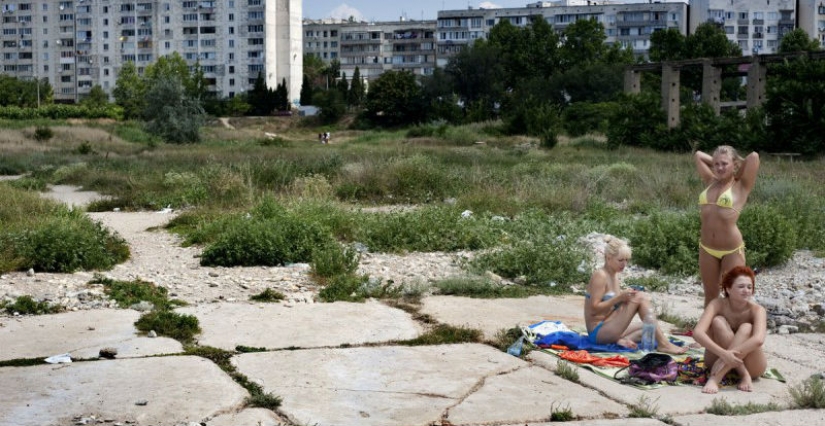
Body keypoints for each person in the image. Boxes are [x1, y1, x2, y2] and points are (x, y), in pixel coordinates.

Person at [584, 236, 687, 354]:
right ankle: (664, 345)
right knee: (641, 298)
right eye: (620, 260)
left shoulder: (614, 275)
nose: (624, 264)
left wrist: (626, 297)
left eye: (627, 260)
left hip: (611, 324)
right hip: (599, 331)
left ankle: (622, 340)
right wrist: (620, 298)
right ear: (608, 258)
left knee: (649, 328)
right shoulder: (600, 275)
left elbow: (614, 305)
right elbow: (594, 308)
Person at [695, 146, 760, 307]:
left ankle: (733, 329)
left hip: (731, 249)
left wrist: (736, 167)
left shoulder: (742, 185)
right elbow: (698, 155)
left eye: (724, 164)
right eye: (716, 164)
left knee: (734, 296)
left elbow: (753, 156)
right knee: (710, 295)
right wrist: (720, 161)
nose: (719, 168)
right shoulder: (710, 181)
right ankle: (709, 329)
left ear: (735, 164)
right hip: (707, 248)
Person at [692, 266, 766, 394]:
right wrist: (723, 354)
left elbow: (758, 340)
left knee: (746, 327)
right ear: (728, 288)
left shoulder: (757, 310)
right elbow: (697, 333)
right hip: (717, 360)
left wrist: (726, 356)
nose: (746, 290)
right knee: (717, 321)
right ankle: (743, 374)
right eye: (741, 286)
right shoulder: (717, 304)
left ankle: (716, 378)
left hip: (751, 365)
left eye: (749, 287)